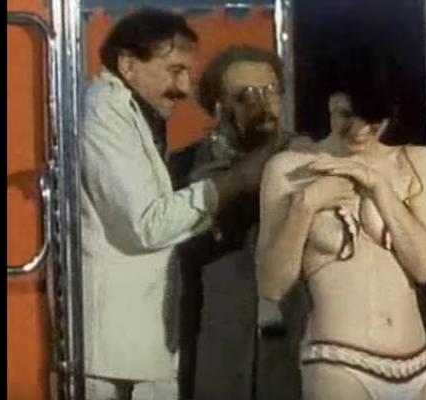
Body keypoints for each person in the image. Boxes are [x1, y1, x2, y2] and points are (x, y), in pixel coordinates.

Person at [80, 10, 275, 400]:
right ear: (128, 65)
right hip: (117, 355)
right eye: (174, 71)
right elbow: (148, 223)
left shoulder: (134, 113)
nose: (184, 88)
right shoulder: (105, 112)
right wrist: (235, 181)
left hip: (140, 347)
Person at [255, 52, 426, 400]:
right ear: (329, 104)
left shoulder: (415, 161)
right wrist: (305, 205)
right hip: (339, 362)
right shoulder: (288, 168)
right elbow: (271, 285)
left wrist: (379, 188)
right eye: (345, 116)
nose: (358, 132)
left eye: (372, 121)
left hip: (415, 364)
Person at [168, 45, 304, 400]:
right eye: (246, 95)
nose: (263, 103)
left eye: (270, 91)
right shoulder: (183, 167)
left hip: (291, 339)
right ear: (218, 106)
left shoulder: (305, 157)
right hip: (217, 343)